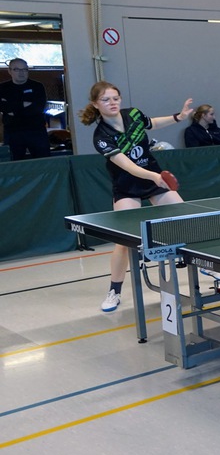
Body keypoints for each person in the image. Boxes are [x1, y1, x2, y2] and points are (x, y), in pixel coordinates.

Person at [79, 81, 193, 312]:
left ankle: (207, 267)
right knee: (122, 242)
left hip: (153, 180)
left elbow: (152, 123)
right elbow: (129, 166)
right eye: (105, 100)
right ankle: (114, 291)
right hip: (128, 186)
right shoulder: (102, 136)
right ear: (95, 104)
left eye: (115, 98)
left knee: (187, 220)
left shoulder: (132, 114)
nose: (112, 103)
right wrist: (154, 176)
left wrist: (178, 117)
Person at [0, 58, 50, 160]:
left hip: (36, 131)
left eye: (24, 69)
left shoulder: (37, 86)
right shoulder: (2, 88)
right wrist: (23, 104)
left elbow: (38, 108)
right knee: (14, 164)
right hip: (12, 132)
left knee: (44, 162)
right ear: (9, 71)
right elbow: (2, 107)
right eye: (16, 69)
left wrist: (12, 110)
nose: (21, 73)